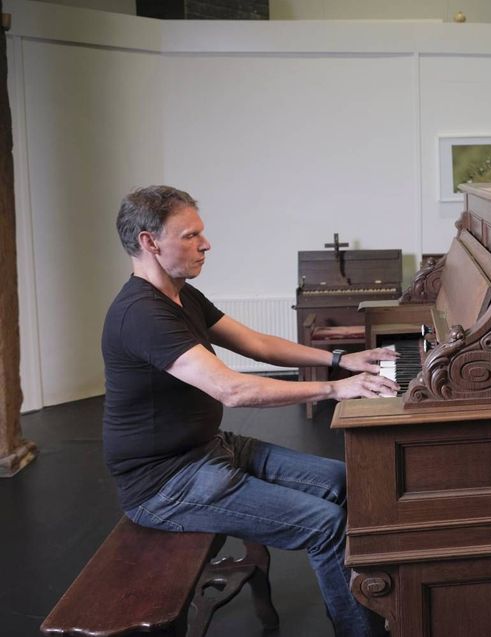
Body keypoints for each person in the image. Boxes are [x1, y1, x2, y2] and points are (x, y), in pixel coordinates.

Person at [101, 185, 399, 637]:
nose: (206, 243)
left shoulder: (181, 295)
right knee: (326, 526)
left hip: (208, 450)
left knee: (342, 481)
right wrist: (334, 389)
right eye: (190, 235)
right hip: (164, 483)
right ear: (149, 242)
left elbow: (256, 344)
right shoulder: (140, 313)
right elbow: (231, 389)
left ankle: (368, 610)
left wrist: (340, 359)